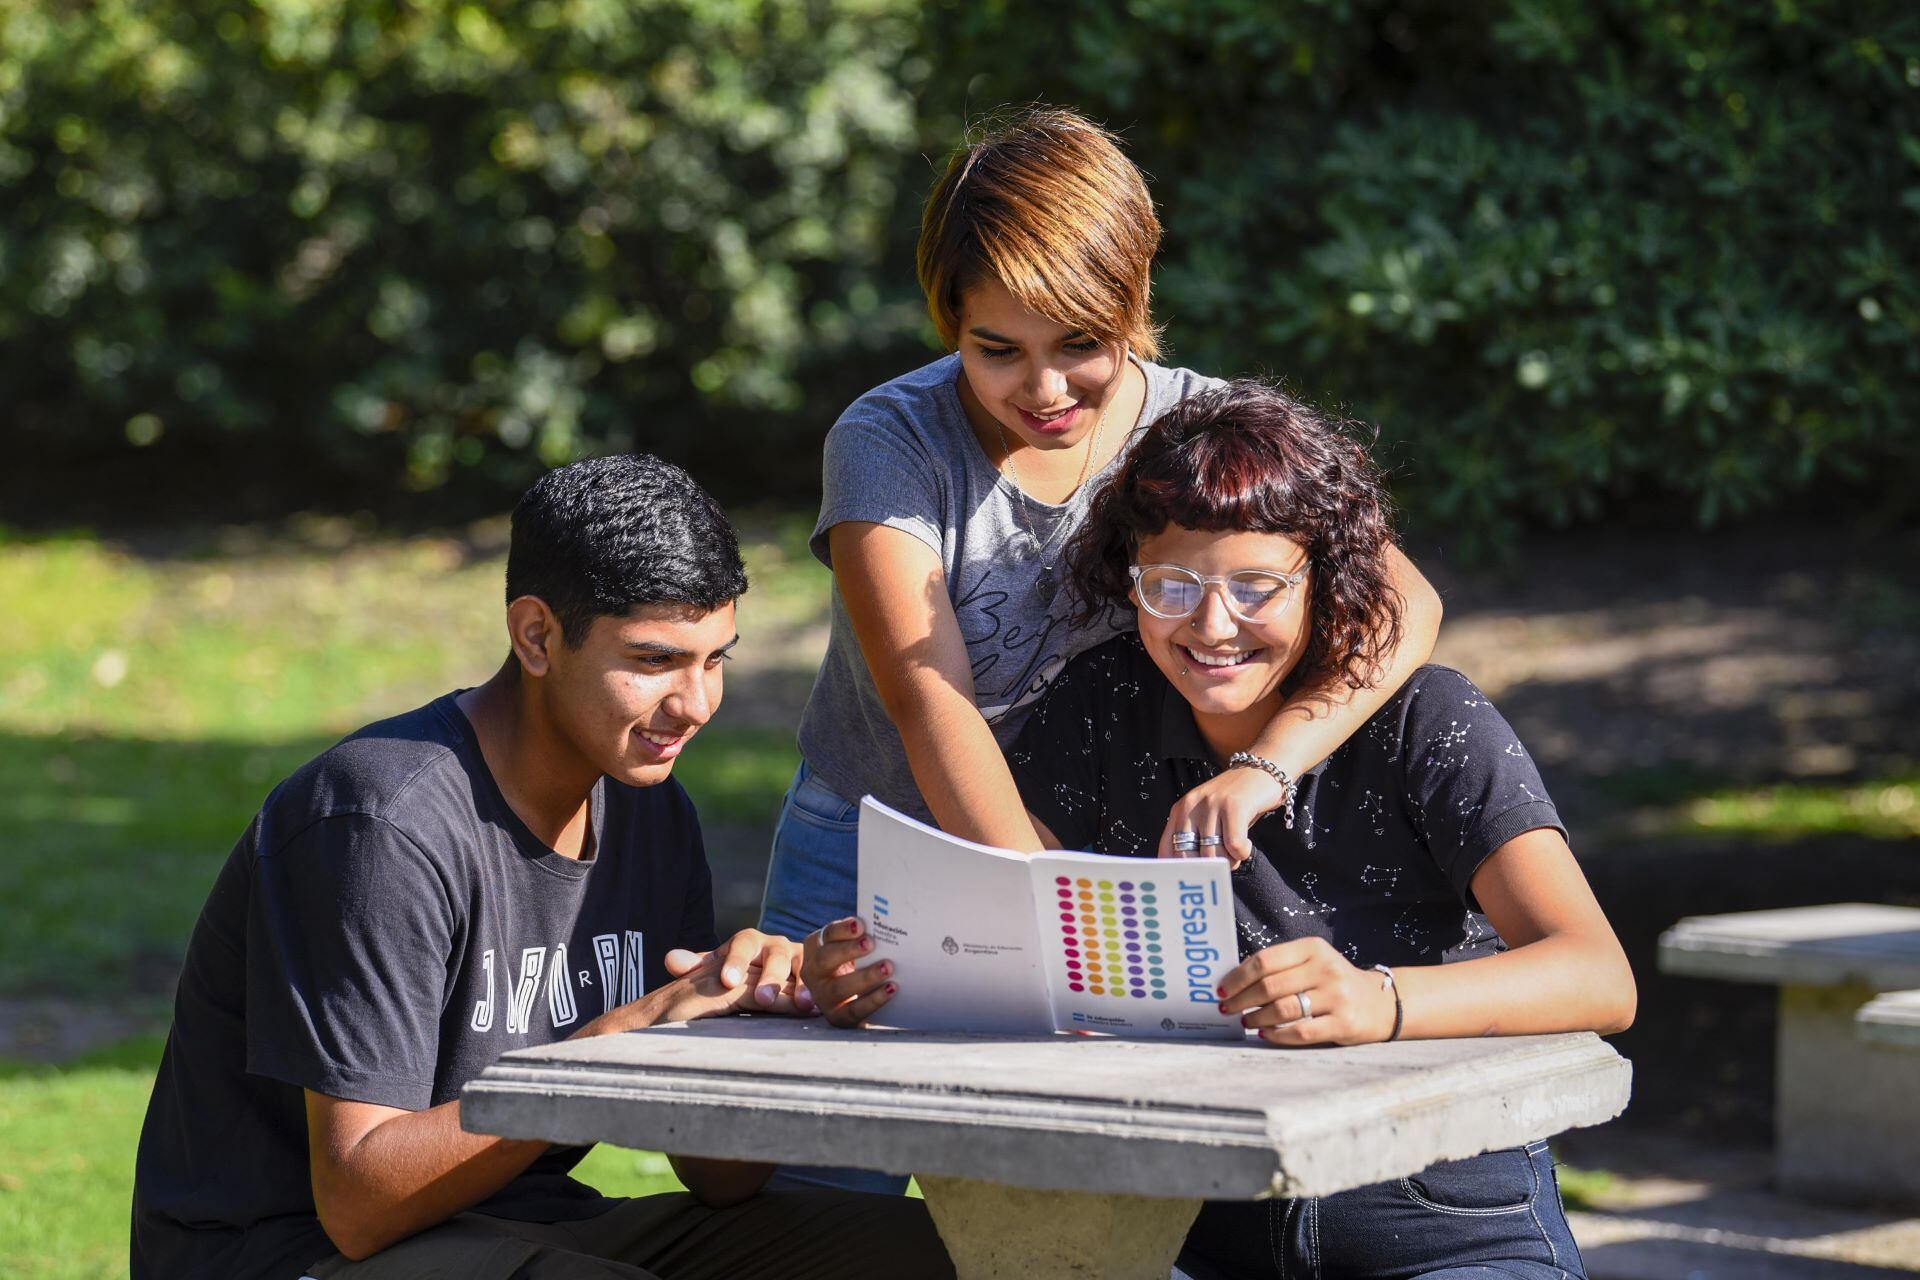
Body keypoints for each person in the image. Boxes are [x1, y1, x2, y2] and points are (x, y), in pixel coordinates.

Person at [807, 381, 1635, 1279]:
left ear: (1327, 579)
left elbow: (1599, 976)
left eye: (1255, 587)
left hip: (1444, 1219)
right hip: (1189, 1228)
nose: (1212, 625)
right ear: (1129, 579)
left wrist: (1379, 1001)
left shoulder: (1429, 718)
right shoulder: (1100, 706)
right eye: (1171, 586)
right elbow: (1015, 940)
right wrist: (875, 974)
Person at [130, 455, 952, 1280]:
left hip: (534, 1226)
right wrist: (612, 1046)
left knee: (933, 1255)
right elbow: (359, 1206)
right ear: (536, 636)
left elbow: (720, 1180)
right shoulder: (379, 824)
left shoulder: (652, 812)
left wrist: (759, 1018)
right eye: (654, 661)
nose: (696, 705)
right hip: (288, 1251)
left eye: (715, 661)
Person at [765, 105, 1442, 1068]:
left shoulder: (1200, 429)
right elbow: (928, 700)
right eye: (997, 349)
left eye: (1079, 341)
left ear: (1135, 298)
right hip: (880, 839)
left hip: (1101, 850)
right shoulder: (889, 441)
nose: (1044, 390)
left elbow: (1406, 605)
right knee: (822, 1139)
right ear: (950, 323)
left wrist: (1267, 766)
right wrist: (1038, 925)